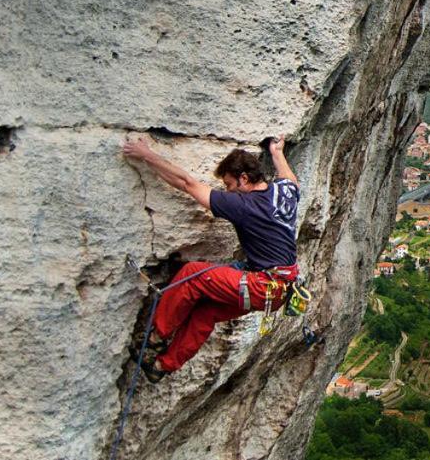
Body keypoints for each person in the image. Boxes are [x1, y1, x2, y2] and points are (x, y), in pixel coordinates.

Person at [121, 133, 300, 382]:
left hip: (261, 285)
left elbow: (186, 183)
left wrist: (146, 154)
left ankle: (154, 339)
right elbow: (290, 180)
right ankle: (162, 366)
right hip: (278, 291)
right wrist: (277, 153)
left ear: (244, 179)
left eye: (228, 184)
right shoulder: (285, 194)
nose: (227, 190)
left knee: (192, 274)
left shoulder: (243, 205)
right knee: (206, 313)